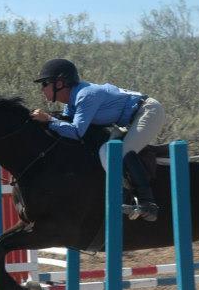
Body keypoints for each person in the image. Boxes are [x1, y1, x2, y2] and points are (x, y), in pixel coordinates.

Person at [29, 58, 165, 222]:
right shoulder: (71, 102)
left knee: (120, 153)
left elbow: (77, 132)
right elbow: (67, 126)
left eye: (45, 84)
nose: (42, 89)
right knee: (104, 150)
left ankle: (147, 202)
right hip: (130, 119)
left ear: (60, 83)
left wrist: (49, 120)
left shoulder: (86, 95)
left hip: (148, 111)